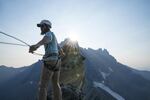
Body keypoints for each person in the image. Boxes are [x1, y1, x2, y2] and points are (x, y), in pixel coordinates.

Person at [29, 20, 64, 100]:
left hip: (50, 61)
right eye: (40, 26)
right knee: (56, 84)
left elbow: (46, 40)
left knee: (43, 86)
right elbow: (59, 48)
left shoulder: (48, 34)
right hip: (57, 61)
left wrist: (35, 46)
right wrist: (61, 53)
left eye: (42, 26)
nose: (41, 28)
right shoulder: (53, 35)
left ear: (47, 27)